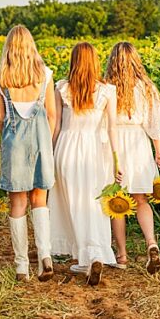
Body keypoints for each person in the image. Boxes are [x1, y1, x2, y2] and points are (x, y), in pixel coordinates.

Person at [49, 42, 121, 286]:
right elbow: (112, 128)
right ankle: (95, 254)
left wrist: (49, 153)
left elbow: (57, 126)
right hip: (94, 152)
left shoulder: (62, 88)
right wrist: (116, 159)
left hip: (67, 149)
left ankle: (85, 257)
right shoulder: (107, 91)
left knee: (72, 203)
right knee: (94, 203)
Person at [0, 25, 57, 282]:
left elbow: (0, 119)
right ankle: (45, 256)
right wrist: (45, 143)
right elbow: (51, 115)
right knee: (40, 199)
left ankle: (21, 266)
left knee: (17, 203)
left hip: (14, 144)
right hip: (41, 142)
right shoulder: (44, 74)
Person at [103, 41, 160, 275]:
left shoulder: (108, 87)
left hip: (116, 144)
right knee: (141, 200)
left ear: (112, 61)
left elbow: (101, 123)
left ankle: (121, 255)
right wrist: (158, 153)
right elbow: (154, 124)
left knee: (117, 203)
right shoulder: (146, 87)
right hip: (139, 143)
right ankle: (151, 242)